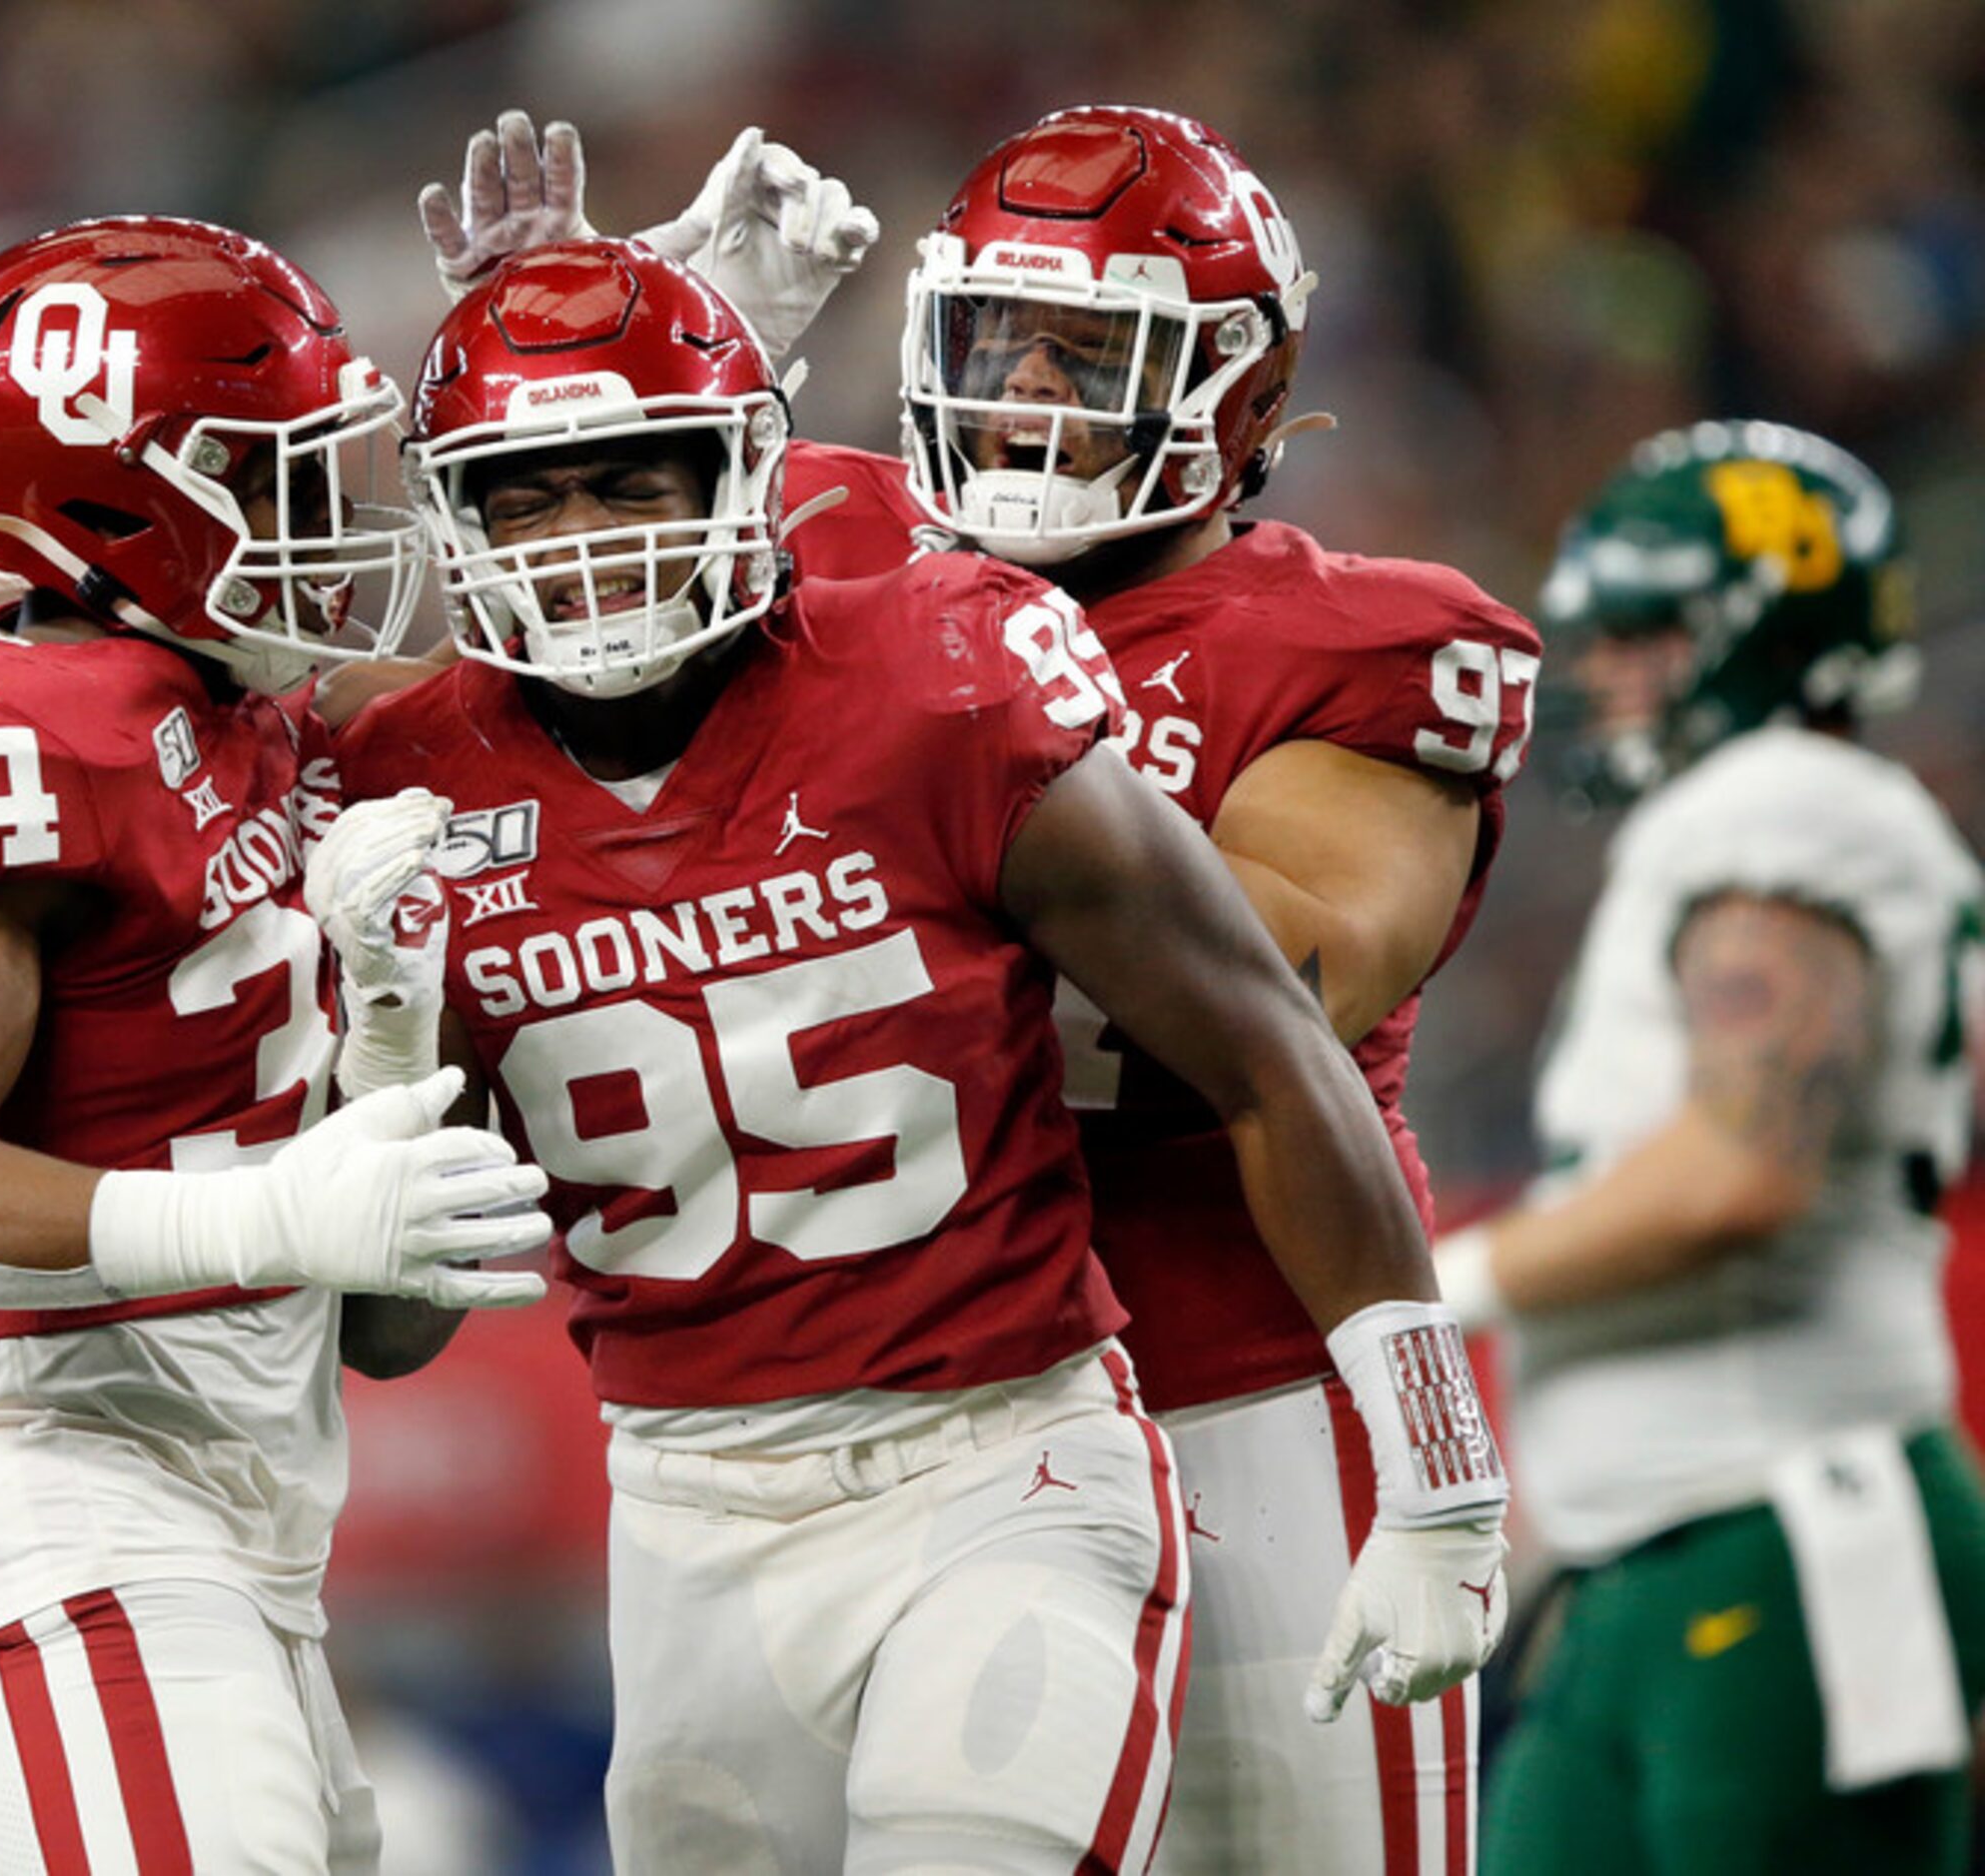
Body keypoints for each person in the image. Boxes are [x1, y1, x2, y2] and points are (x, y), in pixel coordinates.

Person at [421, 106, 1537, 1872]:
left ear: (1236, 391)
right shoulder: (840, 569)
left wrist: (963, 789)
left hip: (1247, 1377)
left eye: (1088, 353)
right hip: (925, 1415)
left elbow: (1282, 981)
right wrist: (600, 348)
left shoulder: (1341, 637)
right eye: (992, 341)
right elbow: (515, 652)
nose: (1022, 397)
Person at [0, 215, 555, 1873]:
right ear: (112, 494)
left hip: (252, 1529)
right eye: (269, 478)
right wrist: (261, 1220)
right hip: (54, 1493)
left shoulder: (252, 713)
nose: (325, 522)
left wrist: (390, 1045)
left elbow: (386, 1334)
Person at [1434, 422, 1985, 1874]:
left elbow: (1745, 1170)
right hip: (1667, 1538)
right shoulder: (1754, 821)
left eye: (1647, 629)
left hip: (1786, 1519)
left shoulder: (1785, 807)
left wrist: (1440, 1282)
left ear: (1764, 625)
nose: (1608, 670)